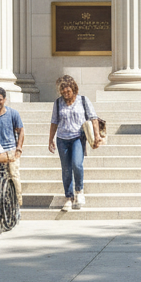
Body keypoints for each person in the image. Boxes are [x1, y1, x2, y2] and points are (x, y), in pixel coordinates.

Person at [48, 75, 101, 211]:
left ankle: (79, 191)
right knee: (66, 169)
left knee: (77, 164)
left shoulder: (83, 100)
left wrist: (97, 136)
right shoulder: (58, 103)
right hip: (62, 139)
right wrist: (50, 140)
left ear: (73, 88)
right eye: (63, 91)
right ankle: (68, 198)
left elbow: (93, 118)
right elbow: (54, 122)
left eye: (68, 90)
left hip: (78, 137)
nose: (66, 94)